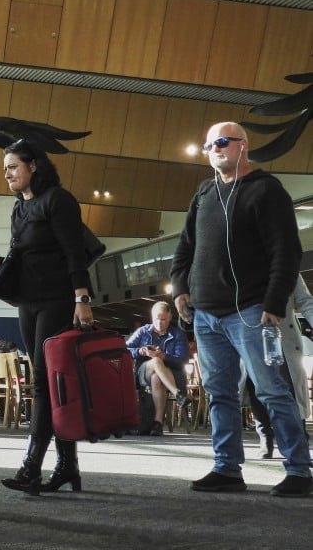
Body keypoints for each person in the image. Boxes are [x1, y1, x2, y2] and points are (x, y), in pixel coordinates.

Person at [170, 121, 311, 497]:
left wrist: (274, 302)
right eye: (208, 145)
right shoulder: (203, 193)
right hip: (206, 315)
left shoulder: (266, 190)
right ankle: (227, 468)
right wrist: (180, 290)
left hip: (251, 311)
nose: (213, 149)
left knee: (272, 391)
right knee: (220, 393)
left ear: (242, 146)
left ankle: (299, 470)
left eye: (221, 142)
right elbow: (184, 248)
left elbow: (286, 252)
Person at [0, 138, 95, 496]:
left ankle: (31, 469)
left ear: (34, 166)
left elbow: (74, 253)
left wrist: (82, 298)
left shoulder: (57, 200)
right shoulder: (19, 208)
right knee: (49, 383)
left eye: (13, 166)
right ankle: (67, 466)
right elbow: (25, 255)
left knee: (44, 383)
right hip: (27, 302)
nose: (7, 174)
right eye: (5, 169)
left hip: (59, 299)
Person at [241, 275, 313, 459]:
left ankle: (299, 436)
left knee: (292, 390)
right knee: (255, 388)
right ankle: (265, 434)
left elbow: (305, 301)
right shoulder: (240, 264)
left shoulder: (288, 269)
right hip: (250, 338)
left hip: (283, 337)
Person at [125, 302, 193, 436]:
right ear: (152, 317)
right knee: (156, 361)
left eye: (163, 319)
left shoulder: (178, 334)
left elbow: (183, 360)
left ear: (169, 317)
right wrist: (141, 351)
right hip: (144, 372)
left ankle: (158, 423)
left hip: (169, 373)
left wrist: (164, 356)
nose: (159, 322)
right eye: (156, 319)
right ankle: (178, 394)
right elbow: (124, 349)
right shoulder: (143, 331)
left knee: (157, 378)